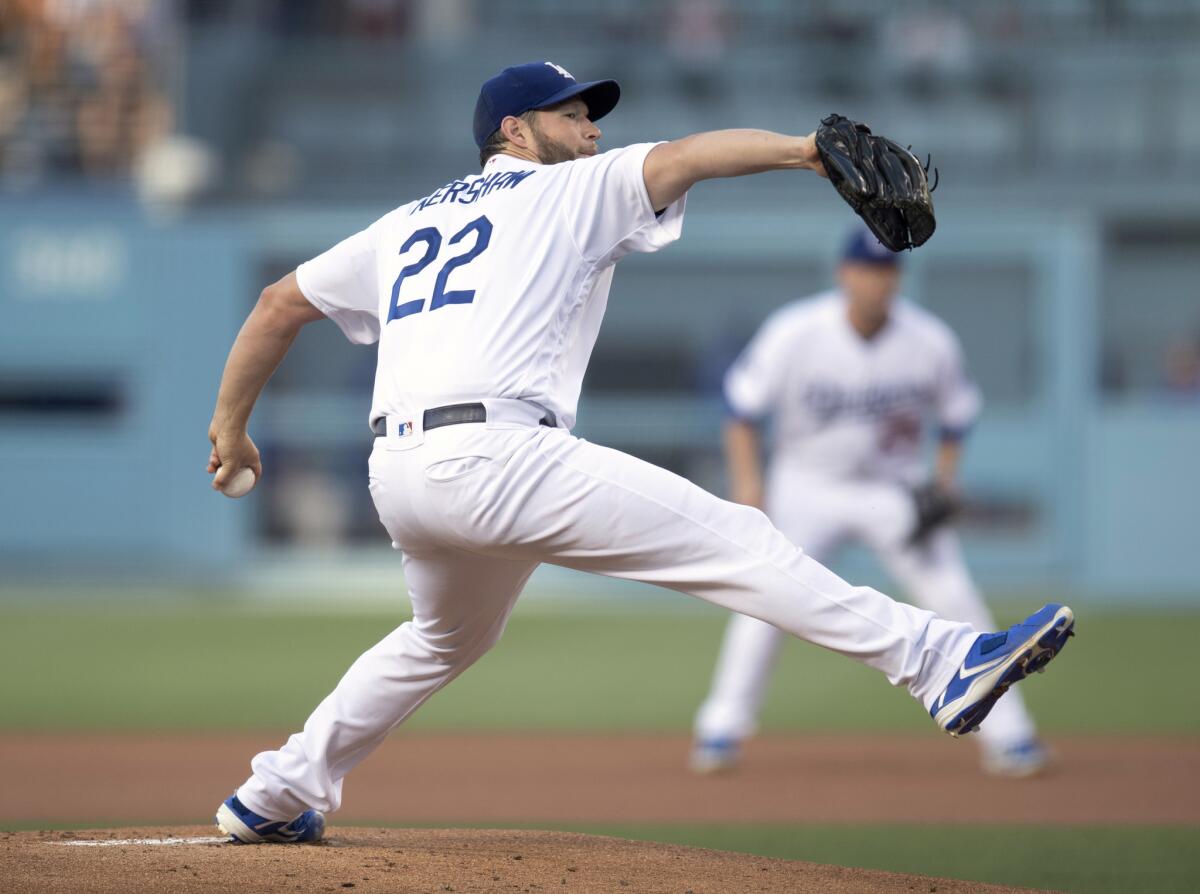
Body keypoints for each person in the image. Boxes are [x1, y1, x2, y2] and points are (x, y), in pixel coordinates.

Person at [205, 61, 1074, 844]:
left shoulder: (404, 223)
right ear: (514, 132)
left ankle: (273, 795)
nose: (591, 130)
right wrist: (807, 150)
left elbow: (281, 301)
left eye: (592, 116)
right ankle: (939, 662)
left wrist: (230, 426)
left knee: (440, 640)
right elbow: (689, 156)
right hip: (500, 458)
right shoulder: (564, 191)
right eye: (570, 114)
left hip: (398, 473)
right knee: (738, 540)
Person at [690, 230, 1048, 779]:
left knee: (952, 593)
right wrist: (749, 485)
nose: (877, 280)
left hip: (892, 490)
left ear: (897, 279)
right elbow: (741, 408)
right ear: (844, 274)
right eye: (866, 269)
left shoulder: (928, 340)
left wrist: (944, 480)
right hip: (807, 486)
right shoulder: (796, 331)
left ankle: (1011, 736)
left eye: (887, 271)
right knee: (762, 595)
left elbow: (957, 415)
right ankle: (721, 726)